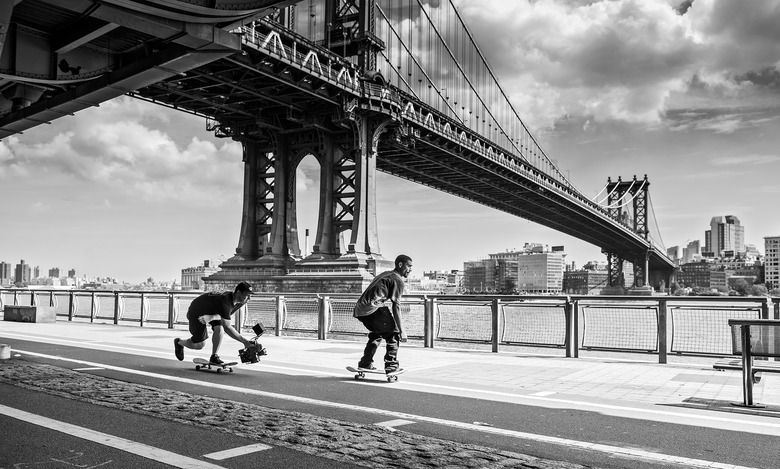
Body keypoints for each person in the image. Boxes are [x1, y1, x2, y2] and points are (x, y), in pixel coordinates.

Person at [353, 254, 413, 374]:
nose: (410, 269)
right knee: (393, 335)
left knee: (377, 334)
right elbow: (396, 306)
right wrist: (402, 330)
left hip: (360, 309)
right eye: (409, 266)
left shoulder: (385, 274)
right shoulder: (397, 280)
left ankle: (365, 363)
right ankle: (391, 366)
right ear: (400, 265)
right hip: (372, 308)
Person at [174, 282, 254, 365]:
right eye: (247, 295)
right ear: (238, 292)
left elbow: (224, 315)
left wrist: (211, 317)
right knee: (199, 345)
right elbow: (228, 327)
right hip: (196, 311)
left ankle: (214, 356)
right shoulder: (225, 301)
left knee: (220, 328)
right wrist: (245, 341)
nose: (249, 298)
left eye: (250, 295)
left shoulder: (240, 302)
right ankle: (179, 342)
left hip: (212, 311)